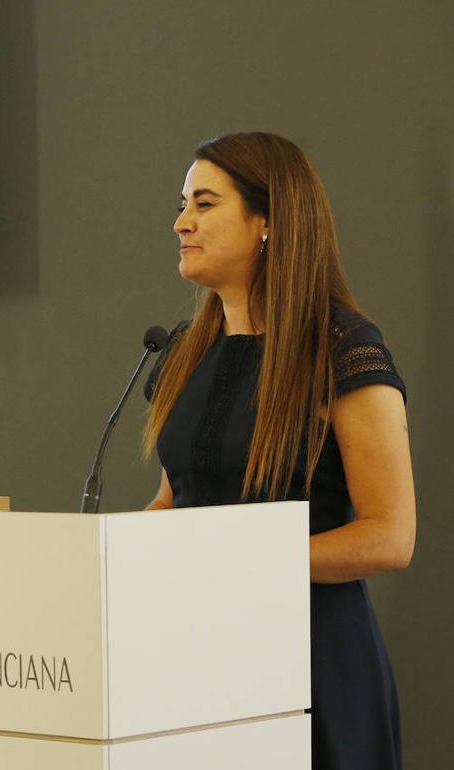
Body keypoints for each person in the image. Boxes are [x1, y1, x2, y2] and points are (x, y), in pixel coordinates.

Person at [143, 132, 415, 769]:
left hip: (311, 666)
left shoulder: (341, 347)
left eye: (205, 204)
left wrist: (238, 560)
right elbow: (173, 502)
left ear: (269, 220)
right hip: (195, 661)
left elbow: (389, 536)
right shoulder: (183, 354)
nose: (181, 222)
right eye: (182, 203)